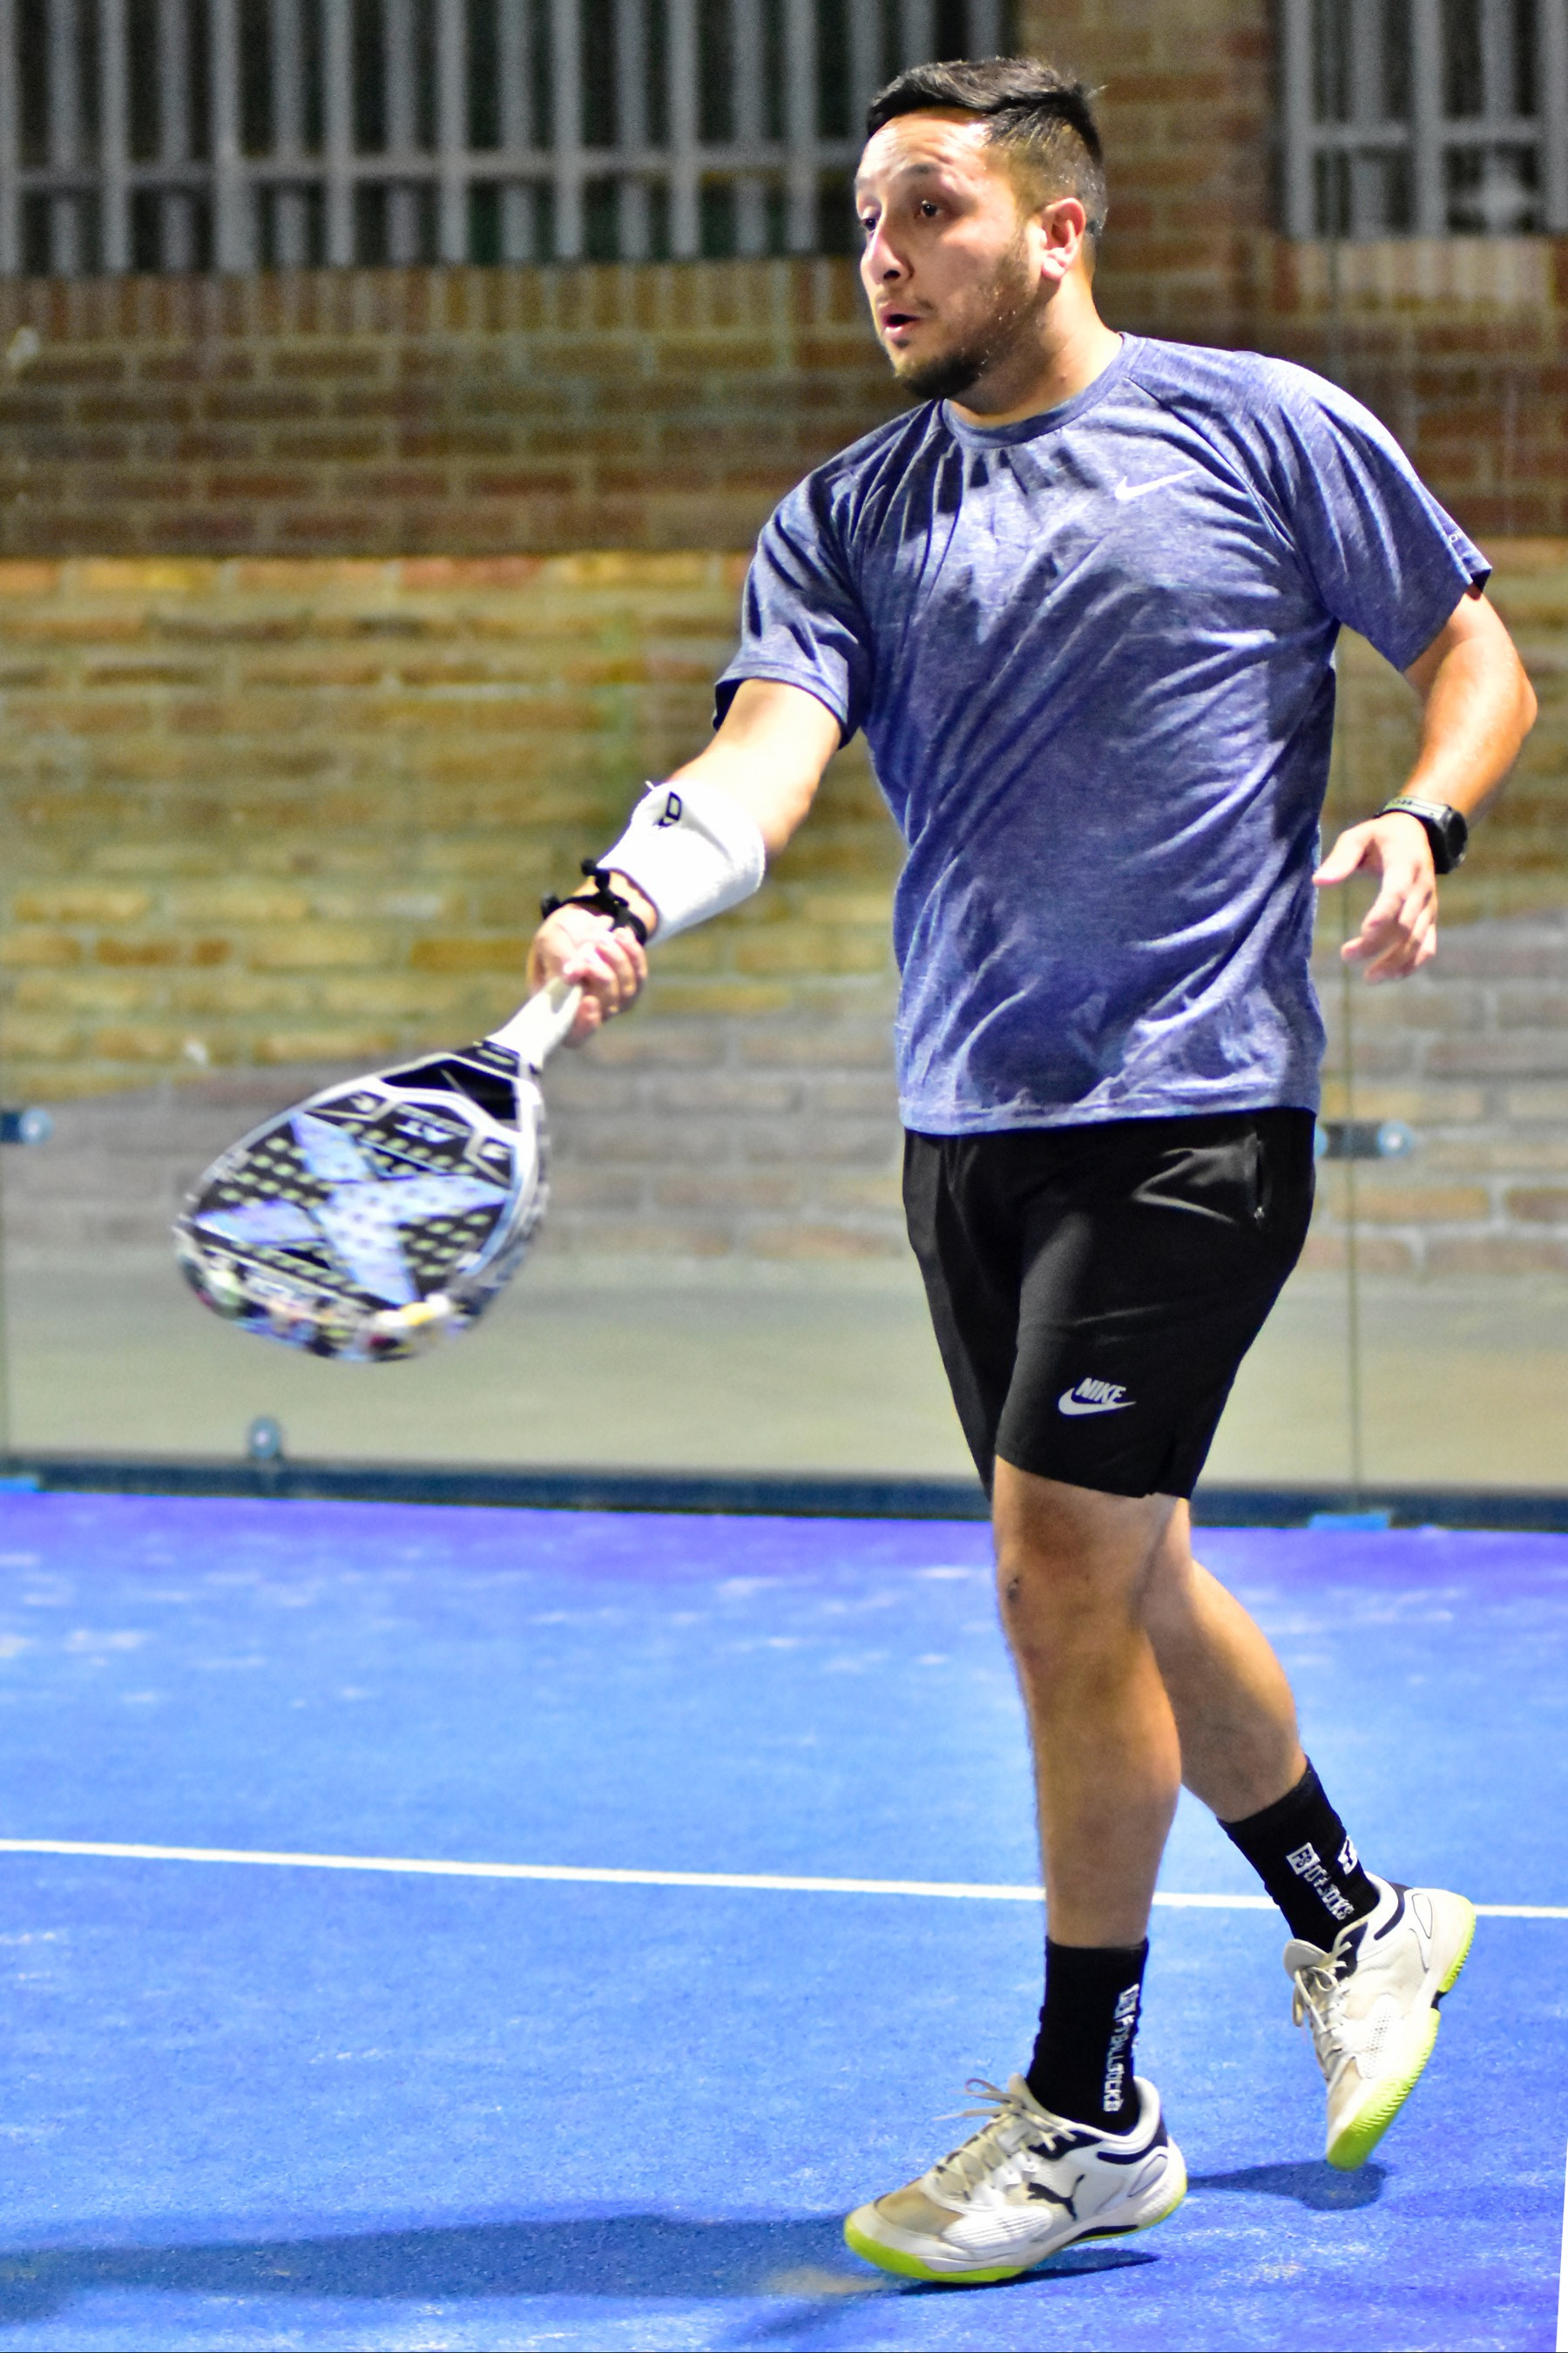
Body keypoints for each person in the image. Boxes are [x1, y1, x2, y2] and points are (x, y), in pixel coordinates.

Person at [525, 56, 1537, 2285]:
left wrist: (1425, 815)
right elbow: (762, 758)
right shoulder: (850, 516)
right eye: (863, 222)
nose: (880, 259)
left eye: (929, 211)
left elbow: (1476, 650)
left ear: (1058, 227)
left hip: (1195, 1107)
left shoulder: (1260, 428)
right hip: (970, 1124)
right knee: (1127, 1572)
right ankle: (1357, 1915)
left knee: (1051, 1566)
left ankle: (1093, 2109)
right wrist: (629, 886)